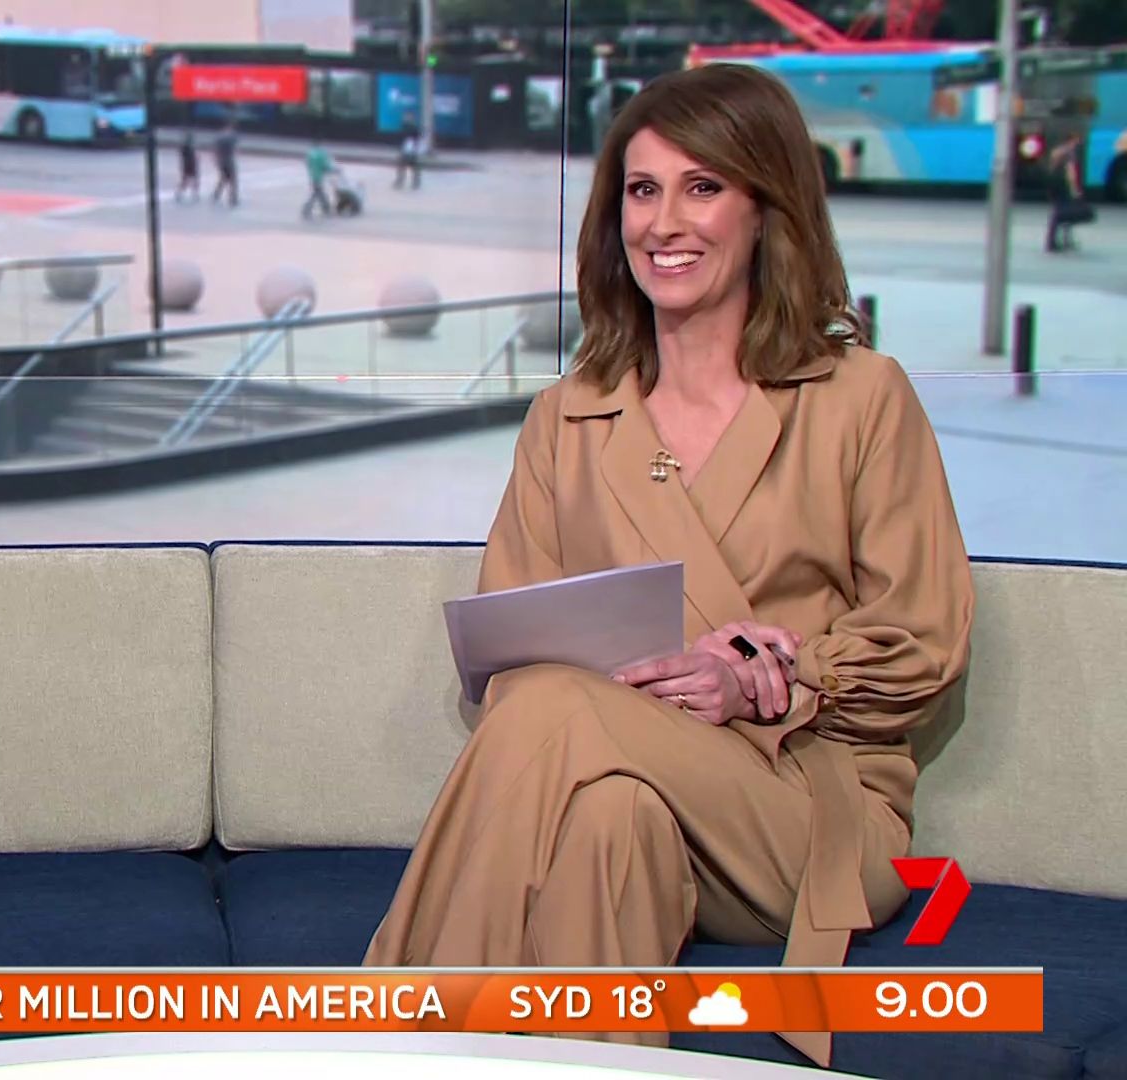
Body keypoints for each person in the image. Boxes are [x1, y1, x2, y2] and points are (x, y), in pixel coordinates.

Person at [363, 62, 974, 1069]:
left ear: (766, 207)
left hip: (801, 809)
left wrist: (773, 676)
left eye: (703, 187)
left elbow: (925, 641)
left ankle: (390, 1035)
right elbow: (510, 656)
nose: (664, 223)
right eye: (643, 190)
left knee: (557, 709)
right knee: (607, 819)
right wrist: (633, 699)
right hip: (616, 784)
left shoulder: (860, 396)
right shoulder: (569, 416)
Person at [1044, 130, 1092, 253]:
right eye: (1077, 139)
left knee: (1059, 212)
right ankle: (1059, 242)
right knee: (1065, 213)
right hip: (1064, 186)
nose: (1079, 142)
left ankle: (1053, 241)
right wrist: (1075, 190)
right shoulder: (1069, 153)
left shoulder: (1057, 151)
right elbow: (1071, 174)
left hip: (1055, 185)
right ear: (1071, 140)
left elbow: (1051, 168)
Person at [302, 140, 334, 219]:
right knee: (316, 194)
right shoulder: (321, 154)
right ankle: (307, 209)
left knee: (319, 193)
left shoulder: (311, 153)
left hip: (313, 175)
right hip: (319, 176)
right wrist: (333, 170)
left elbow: (307, 163)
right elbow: (325, 165)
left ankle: (326, 208)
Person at [176, 129, 201, 203]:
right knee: (189, 180)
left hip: (188, 164)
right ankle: (192, 193)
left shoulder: (185, 147)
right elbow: (191, 156)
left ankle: (193, 193)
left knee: (188, 180)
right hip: (190, 164)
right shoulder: (187, 147)